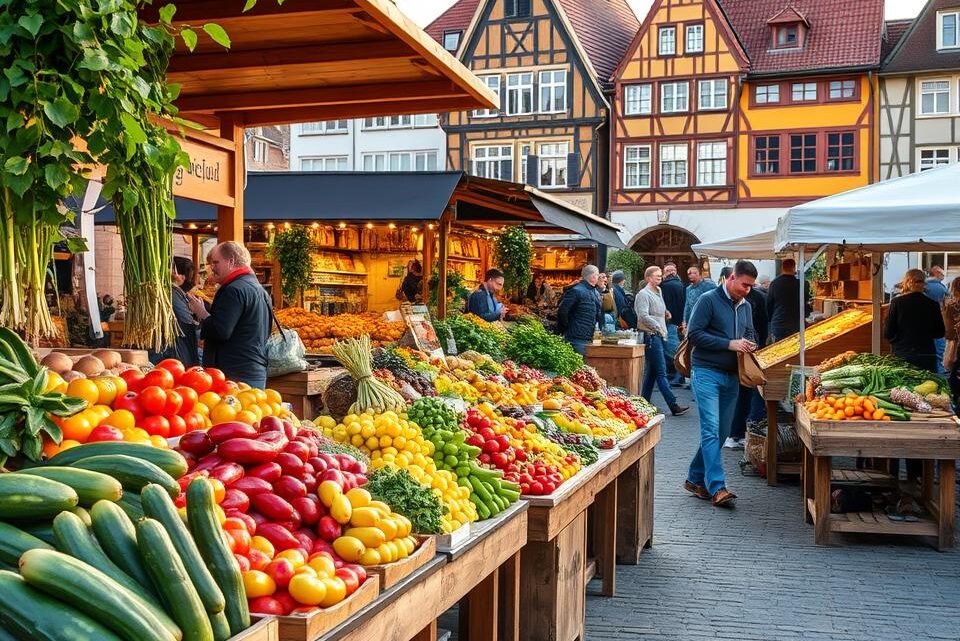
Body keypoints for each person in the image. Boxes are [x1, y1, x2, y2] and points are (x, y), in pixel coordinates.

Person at [684, 259, 758, 507]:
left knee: (722, 432)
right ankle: (717, 487)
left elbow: (750, 332)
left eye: (750, 287)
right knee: (710, 429)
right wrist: (729, 343)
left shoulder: (746, 306)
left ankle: (695, 478)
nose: (747, 290)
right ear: (731, 278)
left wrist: (750, 342)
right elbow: (693, 334)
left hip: (732, 375)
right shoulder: (708, 299)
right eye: (744, 285)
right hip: (706, 371)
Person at [187, 241, 272, 389]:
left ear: (231, 261)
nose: (212, 268)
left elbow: (221, 331)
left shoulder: (233, 290)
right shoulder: (260, 290)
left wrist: (202, 313)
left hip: (233, 375)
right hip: (254, 371)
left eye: (215, 262)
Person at [635, 266, 689, 416]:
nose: (660, 278)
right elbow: (643, 316)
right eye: (657, 276)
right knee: (661, 372)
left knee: (651, 373)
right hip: (651, 335)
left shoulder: (659, 291)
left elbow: (659, 309)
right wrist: (658, 326)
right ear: (648, 278)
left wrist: (665, 312)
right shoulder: (643, 294)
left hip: (659, 334)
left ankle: (643, 403)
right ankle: (673, 405)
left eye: (660, 276)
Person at [728, 282, 768, 449]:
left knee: (742, 394)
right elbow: (763, 324)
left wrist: (752, 343)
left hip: (745, 353)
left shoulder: (749, 302)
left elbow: (754, 328)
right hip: (741, 354)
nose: (746, 289)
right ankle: (736, 433)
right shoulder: (755, 298)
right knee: (743, 394)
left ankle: (736, 433)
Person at [885, 268, 945, 373]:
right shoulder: (933, 304)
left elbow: (888, 332)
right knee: (928, 386)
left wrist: (898, 341)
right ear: (924, 283)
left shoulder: (897, 303)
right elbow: (940, 332)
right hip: (926, 354)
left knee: (903, 388)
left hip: (903, 353)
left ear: (907, 282)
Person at [152, 257, 200, 367]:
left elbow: (185, 322)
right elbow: (186, 323)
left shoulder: (172, 293)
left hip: (172, 357)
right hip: (174, 357)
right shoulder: (171, 293)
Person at [556, 265, 603, 355]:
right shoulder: (576, 291)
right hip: (576, 338)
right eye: (598, 275)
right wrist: (567, 328)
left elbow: (598, 314)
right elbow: (562, 311)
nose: (598, 278)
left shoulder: (595, 292)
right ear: (593, 276)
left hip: (589, 337)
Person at [765, 258, 811, 343]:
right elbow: (806, 303)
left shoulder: (774, 284)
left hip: (779, 325)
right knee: (795, 351)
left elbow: (769, 305)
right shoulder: (802, 284)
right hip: (797, 324)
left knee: (778, 351)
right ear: (794, 268)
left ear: (782, 268)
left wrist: (772, 319)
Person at [660, 262, 685, 386]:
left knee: (672, 348)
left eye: (671, 270)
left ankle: (679, 375)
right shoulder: (680, 284)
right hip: (677, 321)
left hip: (669, 321)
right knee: (673, 347)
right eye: (668, 270)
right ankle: (675, 374)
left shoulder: (665, 286)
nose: (669, 272)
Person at [924, 266, 948, 373]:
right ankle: (940, 375)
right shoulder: (941, 288)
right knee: (940, 350)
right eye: (942, 273)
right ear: (936, 273)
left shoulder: (924, 286)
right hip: (939, 320)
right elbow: (946, 305)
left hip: (924, 323)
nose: (943, 275)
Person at [941, 278, 960, 411]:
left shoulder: (952, 307)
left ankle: (956, 407)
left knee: (954, 380)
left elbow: (947, 331)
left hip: (956, 347)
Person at [682, 265, 715, 331]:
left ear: (700, 275)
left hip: (708, 320)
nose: (692, 275)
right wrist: (685, 321)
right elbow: (687, 306)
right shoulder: (688, 289)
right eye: (689, 273)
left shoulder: (709, 286)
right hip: (694, 320)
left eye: (694, 273)